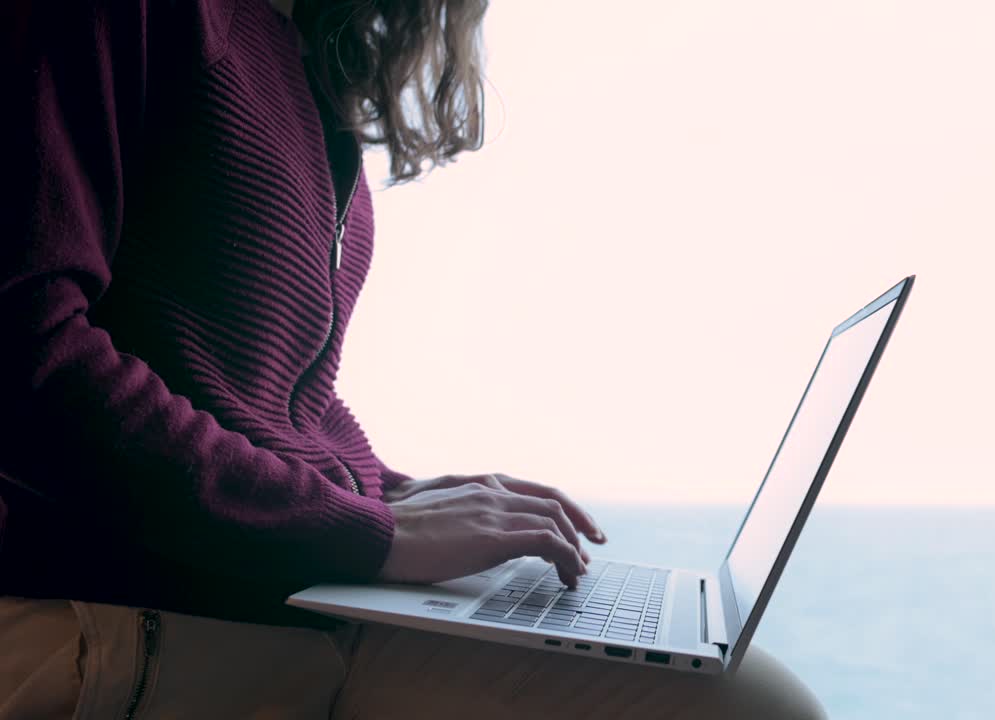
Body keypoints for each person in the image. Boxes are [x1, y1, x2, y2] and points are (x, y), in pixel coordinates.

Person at [0, 0, 827, 717]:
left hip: (263, 584)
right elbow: (28, 350)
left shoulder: (294, 54)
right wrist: (366, 534)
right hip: (128, 598)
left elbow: (271, 393)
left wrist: (389, 490)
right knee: (753, 708)